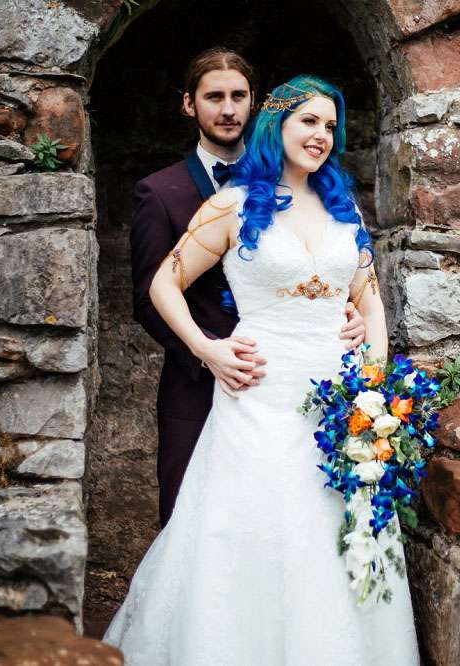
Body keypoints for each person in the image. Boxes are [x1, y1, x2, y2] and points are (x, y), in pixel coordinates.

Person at [102, 75, 419, 664]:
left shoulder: (344, 207)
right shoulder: (232, 204)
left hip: (338, 400)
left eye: (330, 126)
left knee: (332, 527)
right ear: (277, 124)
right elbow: (163, 283)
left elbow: (370, 301)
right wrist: (208, 348)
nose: (321, 135)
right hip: (259, 394)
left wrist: (373, 386)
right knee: (252, 528)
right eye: (309, 121)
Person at [129, 47, 366, 526]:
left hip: (310, 375)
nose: (228, 108)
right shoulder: (161, 192)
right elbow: (150, 294)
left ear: (256, 105)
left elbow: (337, 272)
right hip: (204, 379)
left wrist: (341, 308)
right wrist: (209, 352)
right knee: (199, 522)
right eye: (213, 97)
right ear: (189, 104)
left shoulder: (309, 184)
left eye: (238, 96)